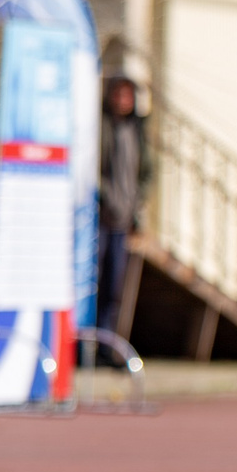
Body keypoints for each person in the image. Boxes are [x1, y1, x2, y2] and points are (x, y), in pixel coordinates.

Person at [96, 76, 150, 342]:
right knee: (93, 279)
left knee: (114, 285)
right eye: (118, 95)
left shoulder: (137, 131)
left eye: (127, 96)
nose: (122, 101)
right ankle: (86, 345)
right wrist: (105, 196)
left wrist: (136, 202)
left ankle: (107, 343)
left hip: (124, 217)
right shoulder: (101, 125)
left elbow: (146, 171)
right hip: (99, 214)